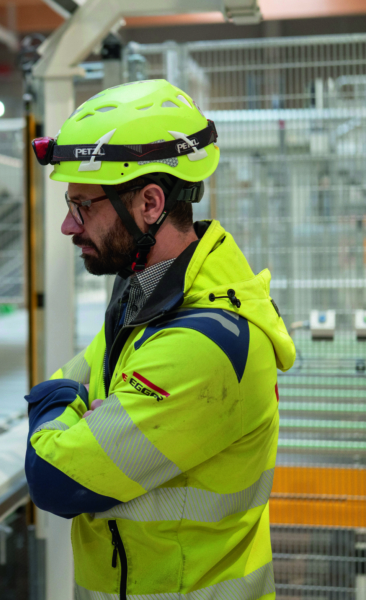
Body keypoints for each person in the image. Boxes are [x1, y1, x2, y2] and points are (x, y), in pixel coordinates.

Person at [25, 79, 295, 600]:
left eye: (83, 206)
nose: (66, 225)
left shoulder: (205, 344)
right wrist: (76, 405)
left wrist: (67, 405)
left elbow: (55, 477)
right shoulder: (144, 301)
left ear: (149, 203)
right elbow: (67, 380)